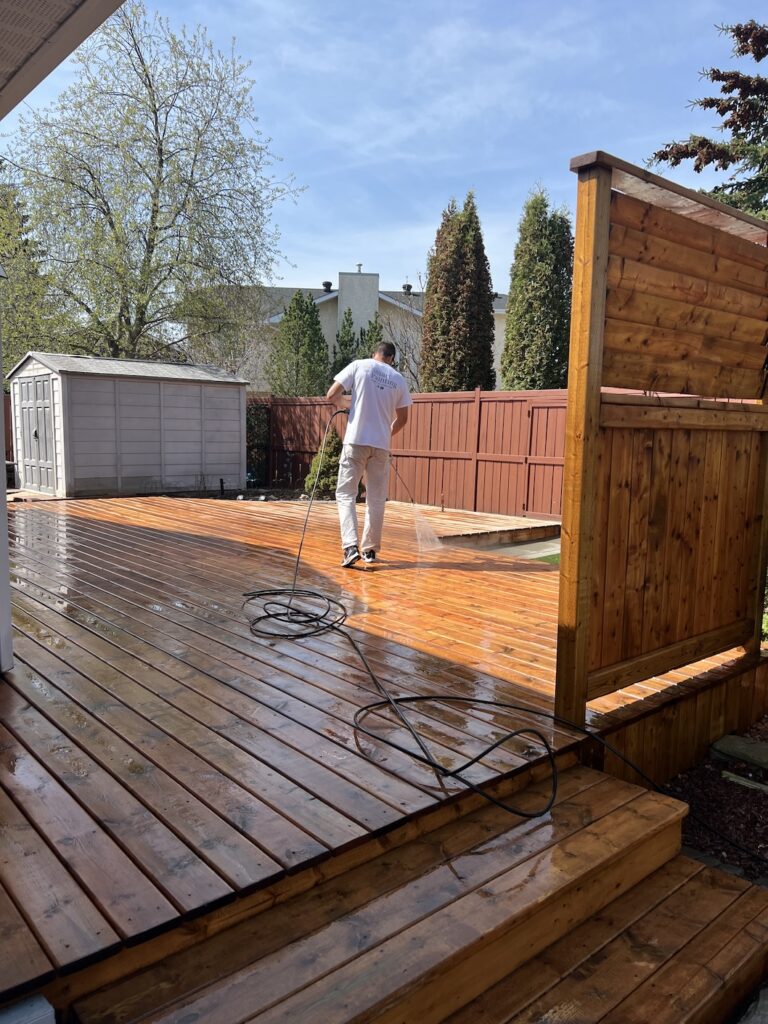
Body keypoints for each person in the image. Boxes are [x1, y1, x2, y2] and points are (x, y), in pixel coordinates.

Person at [326, 341, 412, 567]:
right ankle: (370, 550)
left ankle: (350, 547)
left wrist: (345, 403)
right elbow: (403, 419)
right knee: (376, 498)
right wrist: (384, 433)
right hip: (381, 446)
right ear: (391, 358)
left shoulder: (359, 365)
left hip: (356, 441)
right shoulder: (398, 379)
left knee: (346, 494)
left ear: (375, 353)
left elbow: (331, 395)